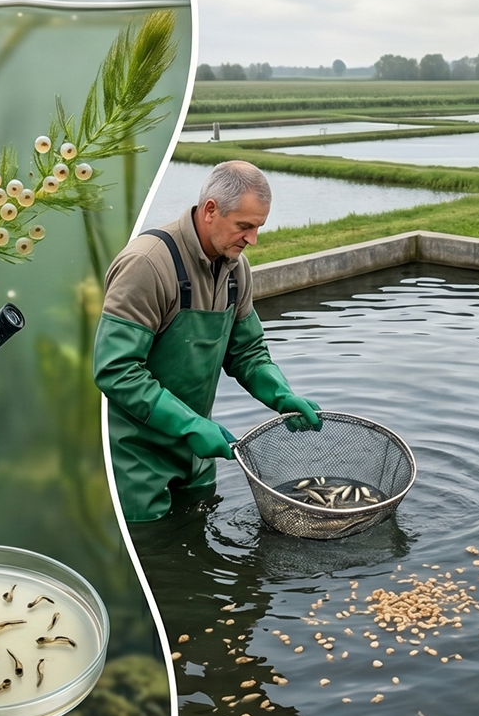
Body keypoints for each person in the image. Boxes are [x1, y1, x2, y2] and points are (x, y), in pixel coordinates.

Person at [95, 160, 322, 523]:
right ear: (211, 211)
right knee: (150, 552)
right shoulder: (147, 264)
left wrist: (281, 394)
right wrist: (189, 424)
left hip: (198, 451)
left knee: (196, 541)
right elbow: (115, 370)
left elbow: (247, 352)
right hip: (135, 456)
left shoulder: (236, 270)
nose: (252, 239)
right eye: (244, 226)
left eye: (258, 227)